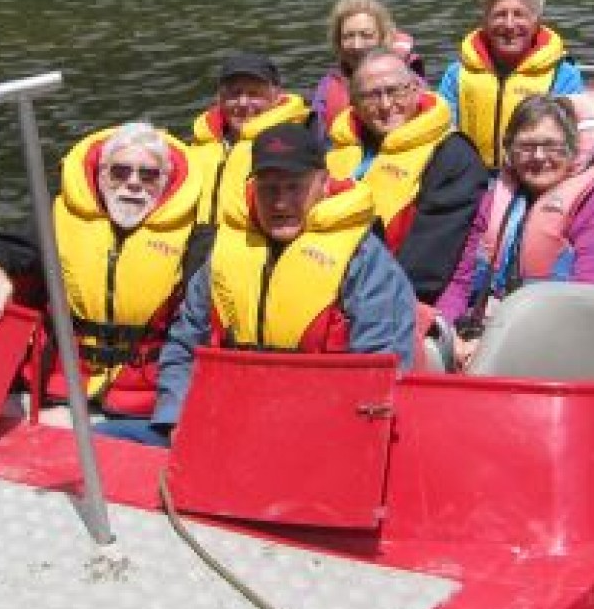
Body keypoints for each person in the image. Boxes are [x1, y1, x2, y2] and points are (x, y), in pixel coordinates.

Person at [142, 123, 417, 445]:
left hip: (326, 435)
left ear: (323, 184)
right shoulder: (224, 253)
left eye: (294, 188)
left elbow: (381, 366)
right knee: (100, 438)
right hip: (231, 425)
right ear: (253, 189)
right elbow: (185, 345)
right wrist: (175, 417)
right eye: (269, 189)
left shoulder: (366, 259)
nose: (281, 203)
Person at [0, 122, 207, 421]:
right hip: (60, 386)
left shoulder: (198, 233)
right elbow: (1, 247)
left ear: (166, 181)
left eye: (148, 175)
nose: (134, 183)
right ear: (101, 175)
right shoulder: (57, 217)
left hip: (146, 399)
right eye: (120, 172)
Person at [435, 93, 594, 369]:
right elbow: (460, 281)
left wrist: (495, 346)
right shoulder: (492, 199)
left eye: (551, 146)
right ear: (509, 152)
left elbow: (588, 300)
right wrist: (446, 332)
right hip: (478, 329)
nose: (538, 157)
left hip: (556, 340)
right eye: (526, 146)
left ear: (573, 151)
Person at [324, 46, 488, 305]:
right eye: (371, 95)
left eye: (394, 91)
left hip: (391, 301)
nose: (386, 105)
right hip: (325, 283)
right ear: (353, 103)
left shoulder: (453, 155)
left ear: (415, 89)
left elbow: (427, 265)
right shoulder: (334, 153)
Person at [435, 0, 585, 169]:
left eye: (519, 15)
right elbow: (442, 130)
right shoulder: (457, 73)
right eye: (499, 15)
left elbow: (571, 138)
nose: (509, 24)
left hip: (536, 175)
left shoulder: (564, 74)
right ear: (485, 21)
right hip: (469, 176)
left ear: (537, 21)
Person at [186, 51, 313, 228]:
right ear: (220, 98)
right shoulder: (196, 146)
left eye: (254, 94)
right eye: (234, 94)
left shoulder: (299, 142)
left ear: (276, 96)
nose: (243, 103)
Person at [307, 0, 424, 136]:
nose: (357, 45)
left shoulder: (411, 81)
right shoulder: (327, 86)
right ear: (338, 41)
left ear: (383, 37)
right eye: (348, 36)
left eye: (366, 35)